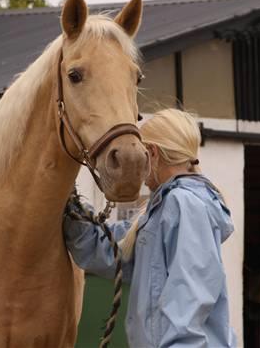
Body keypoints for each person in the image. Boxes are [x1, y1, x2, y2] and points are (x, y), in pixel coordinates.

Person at [63, 108, 237, 347]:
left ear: (153, 154)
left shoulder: (184, 205)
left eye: (141, 155)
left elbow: (190, 300)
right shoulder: (160, 210)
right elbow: (108, 248)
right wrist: (68, 202)